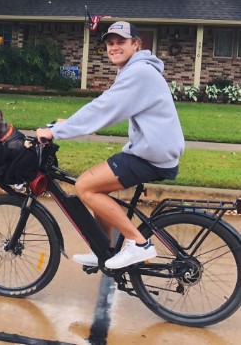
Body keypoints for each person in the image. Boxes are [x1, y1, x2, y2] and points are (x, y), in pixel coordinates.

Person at [36, 21, 185, 269]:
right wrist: (70, 123)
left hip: (153, 155)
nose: (114, 47)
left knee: (86, 187)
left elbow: (105, 108)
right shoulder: (133, 70)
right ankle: (103, 249)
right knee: (97, 187)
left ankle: (139, 244)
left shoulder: (139, 73)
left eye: (121, 42)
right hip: (152, 150)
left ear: (136, 44)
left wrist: (57, 132)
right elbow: (109, 106)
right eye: (110, 43)